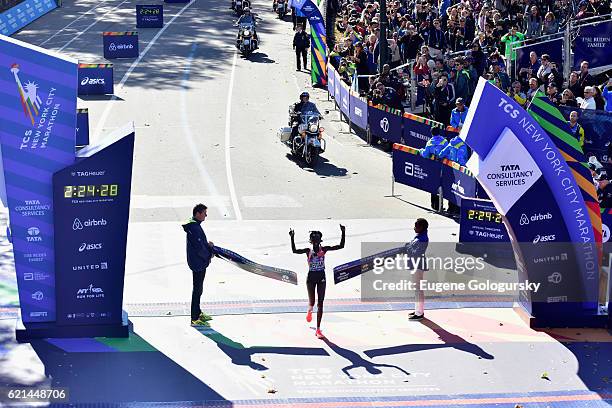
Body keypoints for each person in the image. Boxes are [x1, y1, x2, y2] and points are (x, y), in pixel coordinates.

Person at [289, 225, 346, 339]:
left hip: (321, 277)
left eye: (317, 241)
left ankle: (318, 329)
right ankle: (310, 309)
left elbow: (340, 246)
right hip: (311, 278)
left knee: (320, 303)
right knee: (313, 302)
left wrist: (343, 232)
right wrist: (292, 237)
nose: (315, 243)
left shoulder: (323, 249)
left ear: (320, 241)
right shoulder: (308, 251)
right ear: (311, 241)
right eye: (313, 241)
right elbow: (295, 251)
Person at [182, 204, 214, 326]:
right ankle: (194, 318)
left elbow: (201, 244)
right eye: (204, 213)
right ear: (198, 214)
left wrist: (208, 246)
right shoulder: (194, 228)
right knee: (197, 290)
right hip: (198, 263)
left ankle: (198, 313)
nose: (206, 215)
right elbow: (200, 248)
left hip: (197, 262)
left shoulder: (194, 226)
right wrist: (209, 253)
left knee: (198, 289)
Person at [407, 218, 429, 321]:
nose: (414, 228)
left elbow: (416, 252)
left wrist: (408, 248)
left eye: (416, 226)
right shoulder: (420, 236)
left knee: (418, 289)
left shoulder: (422, 239)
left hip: (418, 266)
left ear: (421, 227)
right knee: (417, 289)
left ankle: (419, 313)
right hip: (415, 265)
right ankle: (417, 310)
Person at [421, 127, 448, 210]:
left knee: (434, 184)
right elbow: (447, 152)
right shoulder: (445, 141)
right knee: (442, 184)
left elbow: (425, 155)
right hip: (443, 167)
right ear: (439, 133)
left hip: (433, 166)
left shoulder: (429, 143)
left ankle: (435, 205)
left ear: (431, 133)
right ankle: (441, 205)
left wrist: (420, 151)